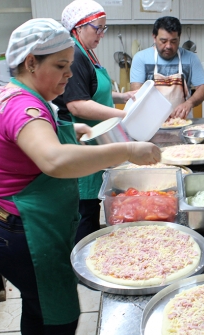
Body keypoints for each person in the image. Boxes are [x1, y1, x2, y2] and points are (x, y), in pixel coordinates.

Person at [0, 18, 160, 335]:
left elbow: (34, 142)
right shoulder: (22, 107)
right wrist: (127, 150)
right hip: (28, 234)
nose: (69, 74)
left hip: (25, 228)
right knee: (59, 319)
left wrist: (66, 129)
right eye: (62, 65)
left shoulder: (21, 95)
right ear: (31, 62)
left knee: (39, 310)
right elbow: (53, 159)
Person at [54, 0, 134, 243]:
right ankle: (82, 266)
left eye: (103, 28)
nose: (101, 34)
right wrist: (124, 114)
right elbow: (77, 104)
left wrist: (123, 97)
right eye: (97, 28)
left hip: (96, 140)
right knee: (85, 212)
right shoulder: (76, 54)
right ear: (78, 28)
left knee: (90, 206)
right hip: (82, 141)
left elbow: (94, 92)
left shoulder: (87, 51)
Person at [130, 16, 204, 119]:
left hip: (182, 121)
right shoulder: (141, 58)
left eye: (173, 41)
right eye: (163, 41)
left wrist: (189, 103)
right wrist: (159, 111)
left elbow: (203, 88)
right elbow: (137, 91)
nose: (168, 46)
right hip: (151, 121)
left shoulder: (191, 58)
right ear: (154, 37)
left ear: (179, 39)